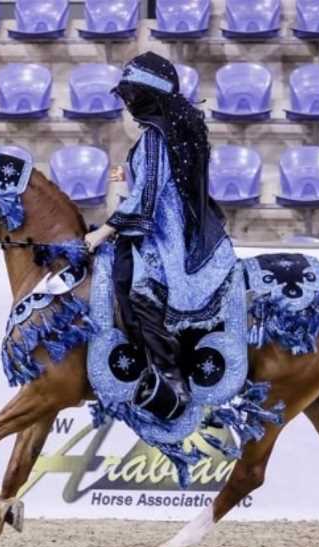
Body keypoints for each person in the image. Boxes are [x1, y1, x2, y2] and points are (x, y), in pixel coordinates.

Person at [84, 51, 236, 411]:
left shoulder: (155, 137)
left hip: (164, 236)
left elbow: (146, 199)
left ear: (147, 97)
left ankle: (171, 379)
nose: (128, 103)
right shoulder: (164, 135)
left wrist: (102, 232)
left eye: (132, 96)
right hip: (167, 227)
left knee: (140, 291)